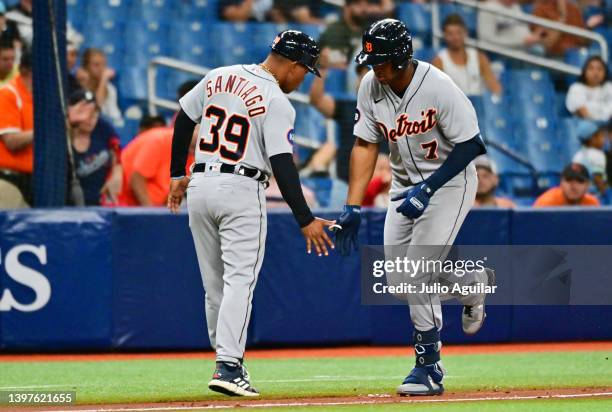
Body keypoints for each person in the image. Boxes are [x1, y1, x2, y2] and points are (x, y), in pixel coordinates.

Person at [167, 30, 334, 397]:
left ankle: (225, 357)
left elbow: (183, 117)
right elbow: (281, 164)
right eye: (305, 70)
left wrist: (178, 173)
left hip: (200, 184)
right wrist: (305, 218)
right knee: (239, 281)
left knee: (214, 286)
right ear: (291, 63)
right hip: (241, 188)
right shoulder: (276, 99)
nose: (304, 78)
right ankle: (229, 365)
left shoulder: (218, 75)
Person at [334, 19, 494, 396]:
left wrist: (429, 186)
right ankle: (470, 286)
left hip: (450, 184)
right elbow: (364, 145)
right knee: (398, 280)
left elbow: (472, 145)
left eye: (383, 62)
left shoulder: (438, 85)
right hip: (404, 187)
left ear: (403, 57)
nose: (376, 69)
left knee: (417, 273)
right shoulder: (371, 86)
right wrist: (353, 205)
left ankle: (429, 366)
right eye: (372, 62)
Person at [308, 63, 371, 180]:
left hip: (373, 186)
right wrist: (322, 69)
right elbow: (316, 100)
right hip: (343, 182)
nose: (360, 81)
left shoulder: (389, 112)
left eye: (366, 77)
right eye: (360, 76)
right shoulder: (348, 106)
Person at [67, 90, 123, 206]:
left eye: (95, 112)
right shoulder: (63, 136)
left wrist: (116, 175)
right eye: (85, 113)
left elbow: (116, 152)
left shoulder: (102, 127)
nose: (92, 118)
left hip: (101, 204)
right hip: (71, 205)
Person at [118, 126, 194, 207]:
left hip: (156, 207)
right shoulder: (160, 140)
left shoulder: (192, 153)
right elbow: (136, 179)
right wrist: (152, 213)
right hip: (124, 204)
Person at [432, 14, 502, 97]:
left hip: (479, 106)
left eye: (459, 32)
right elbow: (436, 93)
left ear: (465, 33)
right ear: (445, 35)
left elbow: (495, 87)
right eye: (450, 34)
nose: (455, 37)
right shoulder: (439, 61)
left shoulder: (479, 57)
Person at [0, 51, 33, 208]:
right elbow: (11, 141)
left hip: (32, 179)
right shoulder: (8, 93)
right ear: (25, 70)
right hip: (8, 178)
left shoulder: (42, 98)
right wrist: (46, 128)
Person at [318, 0, 384, 69]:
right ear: (347, 8)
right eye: (358, 4)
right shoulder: (334, 30)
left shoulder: (371, 29)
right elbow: (329, 60)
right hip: (338, 73)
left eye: (367, 4)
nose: (364, 9)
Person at [81, 48, 123, 127]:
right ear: (86, 67)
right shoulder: (81, 87)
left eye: (104, 64)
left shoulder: (110, 88)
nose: (102, 69)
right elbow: (96, 107)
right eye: (96, 65)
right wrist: (104, 79)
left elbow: (115, 114)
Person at [477, 0, 542, 50]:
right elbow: (486, 40)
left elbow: (522, 29)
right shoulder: (488, 8)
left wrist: (533, 37)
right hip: (503, 53)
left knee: (539, 49)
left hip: (523, 48)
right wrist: (521, 41)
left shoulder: (515, 6)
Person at [565, 56, 611, 123]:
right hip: (583, 126)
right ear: (584, 71)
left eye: (600, 69)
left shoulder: (609, 87)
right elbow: (583, 113)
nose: (595, 72)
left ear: (605, 72)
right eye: (591, 68)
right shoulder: (576, 88)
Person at [534, 163, 600, 206]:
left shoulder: (592, 204)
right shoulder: (546, 204)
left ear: (587, 185)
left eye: (580, 181)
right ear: (561, 183)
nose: (574, 186)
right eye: (569, 180)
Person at [572, 121, 608, 195]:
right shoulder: (598, 155)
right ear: (593, 139)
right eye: (601, 136)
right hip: (594, 195)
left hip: (578, 194)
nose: (604, 139)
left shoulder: (577, 154)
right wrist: (605, 193)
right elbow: (598, 178)